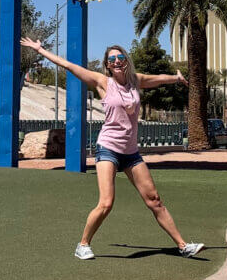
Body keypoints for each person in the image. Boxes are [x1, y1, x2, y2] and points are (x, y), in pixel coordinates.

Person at [20, 37, 204, 261]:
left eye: (120, 57)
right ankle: (83, 244)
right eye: (112, 59)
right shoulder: (102, 82)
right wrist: (41, 50)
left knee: (154, 200)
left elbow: (157, 79)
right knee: (106, 203)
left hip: (131, 153)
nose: (117, 61)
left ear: (126, 60)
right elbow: (69, 66)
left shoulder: (136, 81)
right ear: (107, 65)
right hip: (108, 148)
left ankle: (183, 246)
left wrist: (176, 78)